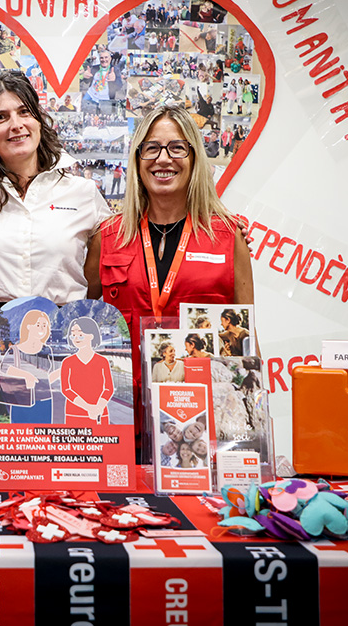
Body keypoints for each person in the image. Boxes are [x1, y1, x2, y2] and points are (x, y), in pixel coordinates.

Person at [0, 72, 111, 457]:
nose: (16, 125)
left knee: (60, 461)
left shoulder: (83, 192)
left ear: (39, 120)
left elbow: (98, 273)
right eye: (1, 117)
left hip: (62, 339)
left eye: (24, 112)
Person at [97, 105, 254, 452]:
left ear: (195, 157)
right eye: (151, 148)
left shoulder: (228, 236)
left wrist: (256, 427)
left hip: (202, 425)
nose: (163, 159)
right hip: (122, 420)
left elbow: (248, 341)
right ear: (137, 160)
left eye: (177, 148)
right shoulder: (108, 237)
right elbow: (89, 322)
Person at [0, 309, 56, 423]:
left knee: (43, 436)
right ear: (28, 326)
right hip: (20, 400)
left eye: (45, 325)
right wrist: (25, 375)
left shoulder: (48, 350)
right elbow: (4, 368)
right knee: (20, 435)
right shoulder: (15, 349)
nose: (42, 329)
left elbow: (50, 377)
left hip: (45, 400)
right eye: (38, 325)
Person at [59, 317, 114, 424]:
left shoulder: (103, 361)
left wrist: (98, 407)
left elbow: (109, 388)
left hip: (99, 414)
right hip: (75, 414)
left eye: (80, 334)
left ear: (91, 335)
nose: (76, 338)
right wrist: (89, 408)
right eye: (73, 335)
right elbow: (66, 389)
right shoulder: (67, 362)